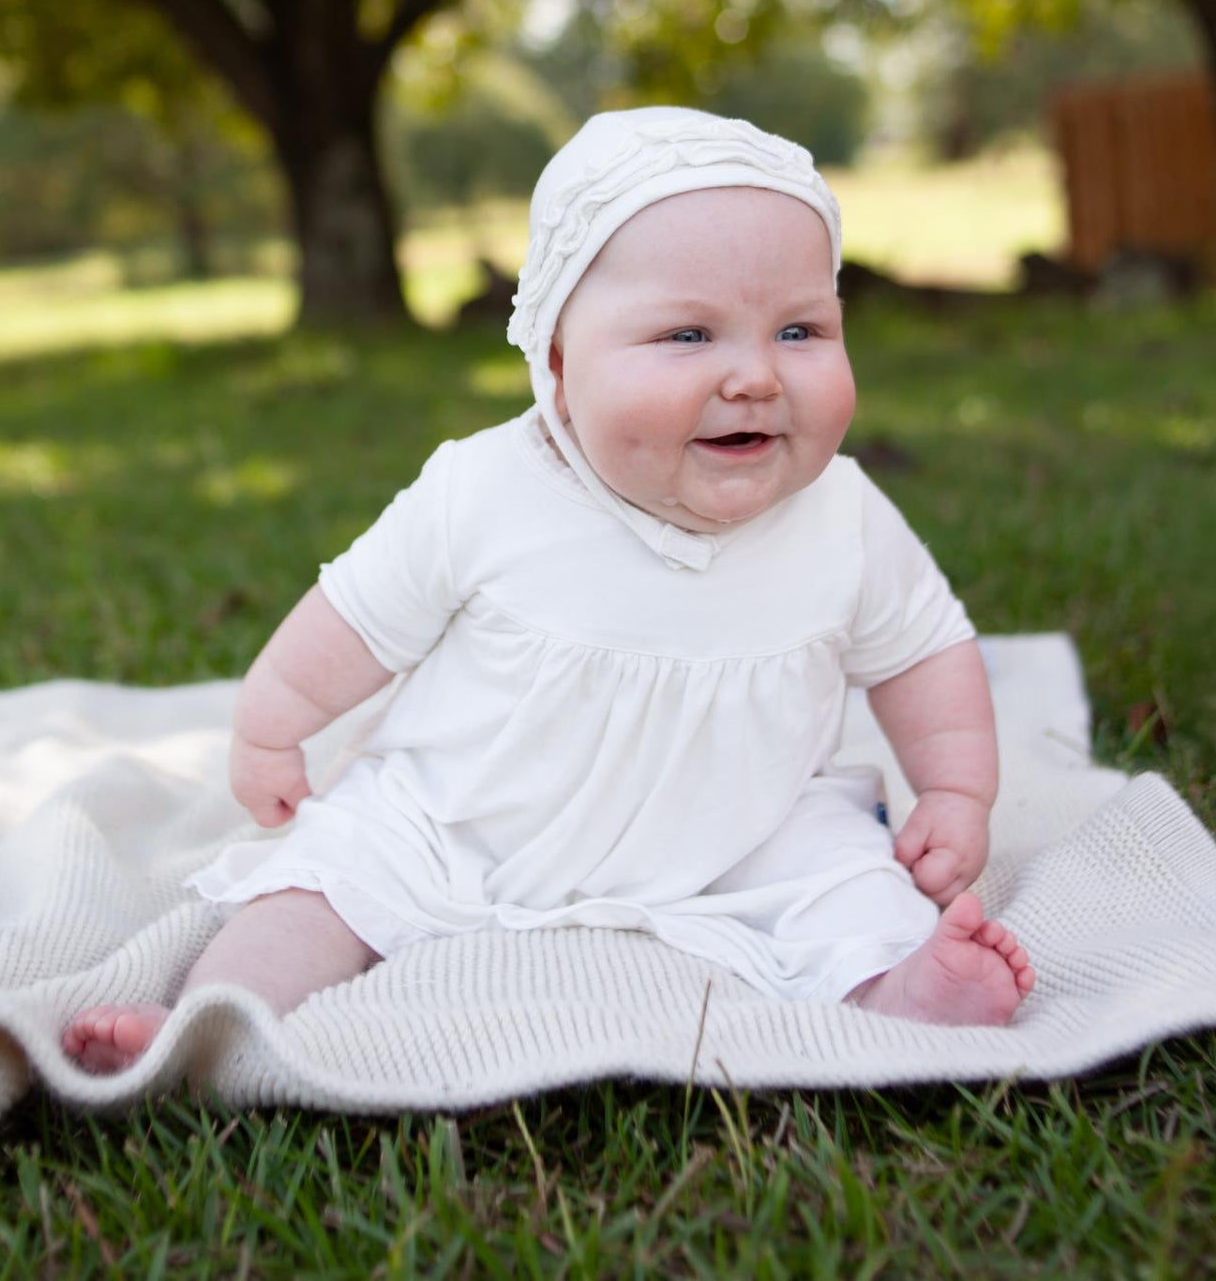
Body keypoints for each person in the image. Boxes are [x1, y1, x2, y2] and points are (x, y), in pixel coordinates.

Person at [64, 108, 1035, 1074]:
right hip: (467, 818)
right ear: (559, 369)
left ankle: (906, 987)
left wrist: (955, 789)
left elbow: (923, 650)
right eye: (689, 334)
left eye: (799, 329)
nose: (755, 376)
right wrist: (272, 726)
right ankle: (217, 1013)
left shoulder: (842, 513)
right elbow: (354, 619)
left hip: (748, 825)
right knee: (325, 878)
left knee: (844, 876)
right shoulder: (482, 493)